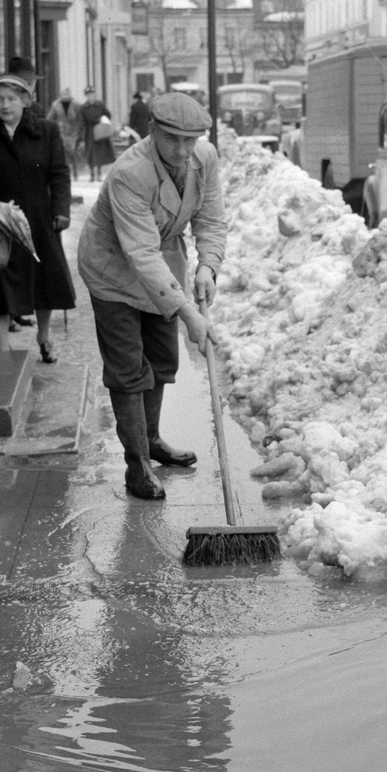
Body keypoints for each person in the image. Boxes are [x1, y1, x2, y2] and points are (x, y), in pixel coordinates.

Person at [76, 92, 226, 501]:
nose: (182, 150)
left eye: (190, 140)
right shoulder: (130, 173)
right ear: (153, 131)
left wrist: (207, 266)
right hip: (113, 269)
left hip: (162, 263)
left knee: (161, 360)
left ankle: (153, 439)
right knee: (128, 368)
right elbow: (139, 253)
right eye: (172, 139)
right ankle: (137, 465)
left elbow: (210, 219)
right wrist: (187, 314)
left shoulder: (204, 158)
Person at [0, 75, 76, 361]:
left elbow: (59, 174)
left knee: (43, 281)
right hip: (0, 219)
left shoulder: (46, 130)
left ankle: (44, 336)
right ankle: (2, 347)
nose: (5, 105)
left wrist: (61, 211)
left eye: (12, 99)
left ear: (25, 100)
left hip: (39, 219)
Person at [79, 86, 116, 182]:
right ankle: (92, 174)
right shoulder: (83, 107)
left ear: (94, 95)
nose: (90, 97)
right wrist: (81, 135)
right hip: (89, 131)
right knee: (90, 152)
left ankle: (99, 173)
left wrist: (103, 120)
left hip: (99, 130)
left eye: (92, 95)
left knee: (100, 152)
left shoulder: (100, 105)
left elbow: (108, 115)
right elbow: (81, 121)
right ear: (86, 96)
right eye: (88, 95)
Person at [47, 86, 84, 178]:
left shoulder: (76, 105)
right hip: (61, 132)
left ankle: (75, 172)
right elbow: (50, 118)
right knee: (61, 153)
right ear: (60, 95)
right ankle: (64, 172)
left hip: (73, 132)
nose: (65, 96)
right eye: (63, 94)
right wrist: (56, 127)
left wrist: (78, 132)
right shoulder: (55, 105)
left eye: (67, 94)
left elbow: (80, 120)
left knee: (73, 153)